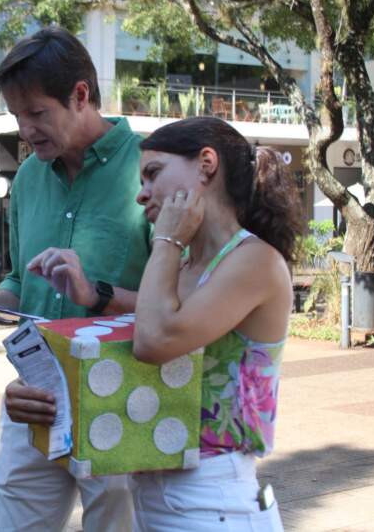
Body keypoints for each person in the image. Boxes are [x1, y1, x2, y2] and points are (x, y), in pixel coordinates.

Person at [0, 27, 151, 531]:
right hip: (34, 394)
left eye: (36, 113)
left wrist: (96, 295)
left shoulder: (151, 168)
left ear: (80, 95)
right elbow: (21, 281)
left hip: (122, 397)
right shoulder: (30, 178)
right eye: (17, 116)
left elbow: (180, 304)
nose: (25, 130)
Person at [129, 117, 302, 530]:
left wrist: (166, 240)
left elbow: (153, 340)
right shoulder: (186, 265)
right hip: (162, 494)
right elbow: (146, 323)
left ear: (206, 164)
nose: (142, 194)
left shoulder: (255, 261)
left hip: (212, 500)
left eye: (154, 173)